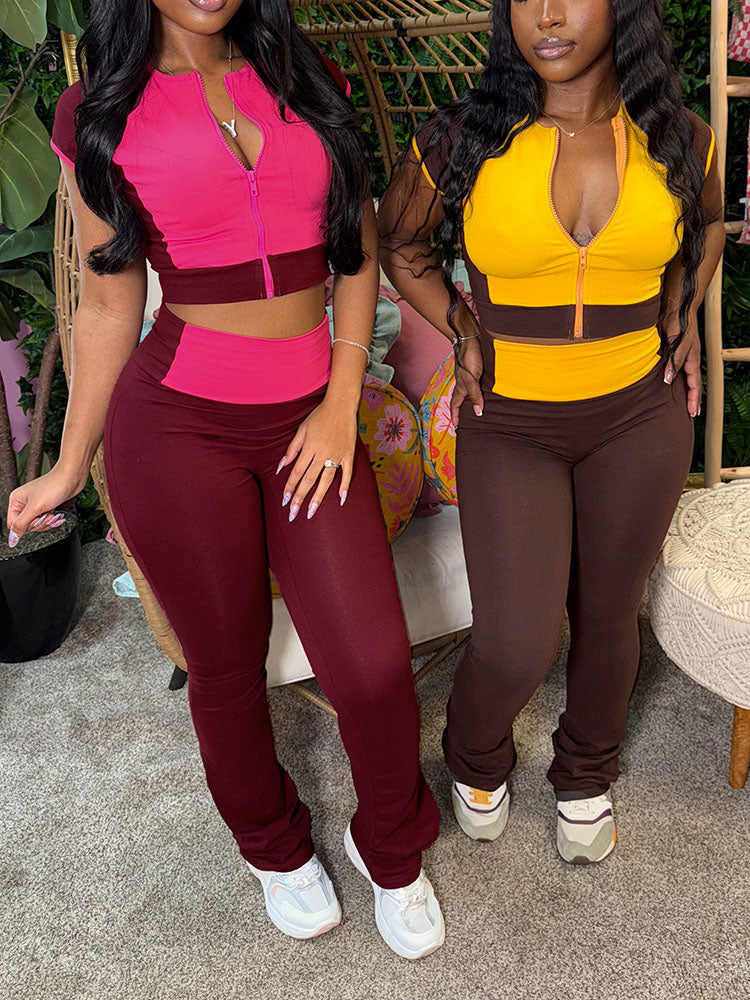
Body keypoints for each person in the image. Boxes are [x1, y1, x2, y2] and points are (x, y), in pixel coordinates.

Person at [6, 0, 444, 958]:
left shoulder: (303, 74)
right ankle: (274, 847)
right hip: (177, 427)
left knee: (373, 668)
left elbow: (356, 249)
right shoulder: (97, 112)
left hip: (312, 420)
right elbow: (109, 306)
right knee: (227, 665)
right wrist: (70, 464)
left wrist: (339, 402)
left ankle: (390, 841)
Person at [378, 0, 724, 864]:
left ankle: (586, 770)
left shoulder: (682, 138)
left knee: (609, 617)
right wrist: (460, 325)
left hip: (639, 413)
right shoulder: (463, 138)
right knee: (516, 641)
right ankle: (475, 754)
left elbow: (712, 222)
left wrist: (681, 304)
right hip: (511, 421)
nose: (548, 15)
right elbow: (401, 245)